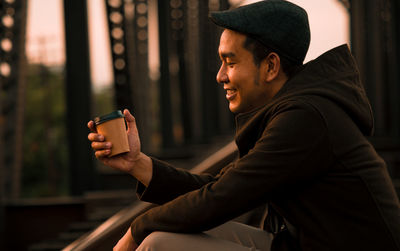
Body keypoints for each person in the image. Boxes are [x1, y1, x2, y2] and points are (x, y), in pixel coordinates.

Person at [88, 0, 400, 250]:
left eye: (231, 62)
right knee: (166, 229)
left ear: (271, 66)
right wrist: (137, 163)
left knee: (158, 242)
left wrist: (136, 229)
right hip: (303, 242)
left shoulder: (306, 118)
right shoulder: (298, 109)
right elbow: (216, 189)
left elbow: (220, 199)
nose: (220, 76)